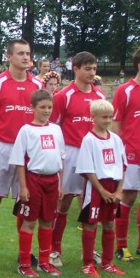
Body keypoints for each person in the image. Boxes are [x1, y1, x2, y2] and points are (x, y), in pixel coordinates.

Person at [0, 39, 43, 270]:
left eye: (28, 53)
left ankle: (25, 253)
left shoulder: (37, 85)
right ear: (9, 57)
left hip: (29, 152)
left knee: (26, 201)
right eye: (20, 53)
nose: (25, 57)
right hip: (1, 147)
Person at [49, 53, 106, 266]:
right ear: (76, 69)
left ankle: (89, 253)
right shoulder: (64, 96)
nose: (92, 73)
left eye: (94, 68)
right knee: (63, 203)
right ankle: (54, 250)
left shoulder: (100, 97)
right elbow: (53, 127)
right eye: (87, 69)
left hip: (93, 155)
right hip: (71, 153)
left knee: (92, 204)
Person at [9, 89, 65, 277]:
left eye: (49, 107)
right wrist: (23, 187)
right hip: (34, 180)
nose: (46, 111)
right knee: (29, 222)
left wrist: (60, 184)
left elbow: (61, 159)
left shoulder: (56, 129)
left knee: (48, 221)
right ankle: (24, 264)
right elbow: (19, 161)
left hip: (52, 180)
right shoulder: (26, 130)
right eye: (42, 107)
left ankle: (44, 262)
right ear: (32, 108)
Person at [76, 99, 126, 277]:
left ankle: (107, 262)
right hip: (96, 187)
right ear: (93, 117)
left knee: (110, 223)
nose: (107, 120)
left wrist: (119, 191)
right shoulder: (89, 140)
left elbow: (122, 166)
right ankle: (88, 264)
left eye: (110, 117)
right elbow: (87, 170)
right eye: (103, 117)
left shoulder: (116, 140)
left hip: (113, 186)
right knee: (90, 223)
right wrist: (102, 191)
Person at [112, 44, 140, 261]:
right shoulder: (125, 90)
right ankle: (121, 245)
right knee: (127, 196)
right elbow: (115, 123)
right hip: (131, 153)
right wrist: (119, 152)